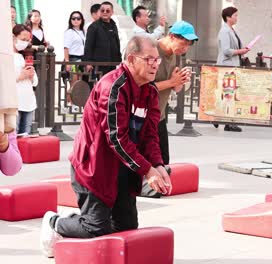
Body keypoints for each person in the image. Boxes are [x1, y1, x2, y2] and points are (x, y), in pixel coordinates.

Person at [39, 35, 172, 258]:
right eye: (149, 59)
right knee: (95, 228)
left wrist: (158, 164)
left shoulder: (150, 92)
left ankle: (90, 235)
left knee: (127, 227)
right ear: (131, 59)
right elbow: (116, 138)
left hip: (124, 167)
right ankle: (56, 222)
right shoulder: (114, 86)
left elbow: (150, 135)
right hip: (95, 166)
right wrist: (147, 170)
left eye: (157, 60)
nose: (154, 65)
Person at [140, 21, 197, 197]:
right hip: (142, 115)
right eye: (183, 44)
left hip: (160, 115)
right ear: (172, 36)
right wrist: (171, 82)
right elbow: (142, 87)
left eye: (188, 45)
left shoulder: (174, 54)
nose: (185, 49)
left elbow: (174, 88)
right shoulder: (151, 51)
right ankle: (143, 187)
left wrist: (179, 81)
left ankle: (154, 187)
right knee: (144, 156)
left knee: (163, 160)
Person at [215, 6, 249, 132]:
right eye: (235, 15)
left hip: (232, 66)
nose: (236, 18)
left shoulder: (231, 30)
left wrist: (242, 50)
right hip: (227, 66)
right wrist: (241, 51)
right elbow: (226, 51)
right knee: (228, 94)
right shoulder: (225, 31)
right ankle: (225, 121)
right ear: (228, 17)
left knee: (229, 94)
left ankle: (222, 120)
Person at [83, 1, 121, 76]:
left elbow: (117, 43)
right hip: (98, 65)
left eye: (107, 10)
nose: (105, 12)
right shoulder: (94, 27)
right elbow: (88, 46)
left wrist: (118, 60)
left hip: (112, 64)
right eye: (102, 10)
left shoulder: (114, 25)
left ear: (112, 12)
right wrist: (88, 62)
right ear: (100, 12)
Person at [13, 25, 38, 135]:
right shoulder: (5, 55)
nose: (25, 43)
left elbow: (35, 81)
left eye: (27, 40)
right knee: (13, 138)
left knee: (25, 137)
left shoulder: (24, 56)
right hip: (14, 104)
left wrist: (31, 76)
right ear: (14, 37)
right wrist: (19, 77)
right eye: (23, 39)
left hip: (28, 102)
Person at [64, 11, 86, 77]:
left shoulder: (83, 32)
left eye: (78, 18)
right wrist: (67, 62)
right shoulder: (69, 32)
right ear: (70, 20)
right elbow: (66, 48)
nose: (76, 20)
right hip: (73, 60)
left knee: (80, 84)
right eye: (73, 18)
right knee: (74, 85)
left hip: (82, 60)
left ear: (81, 20)